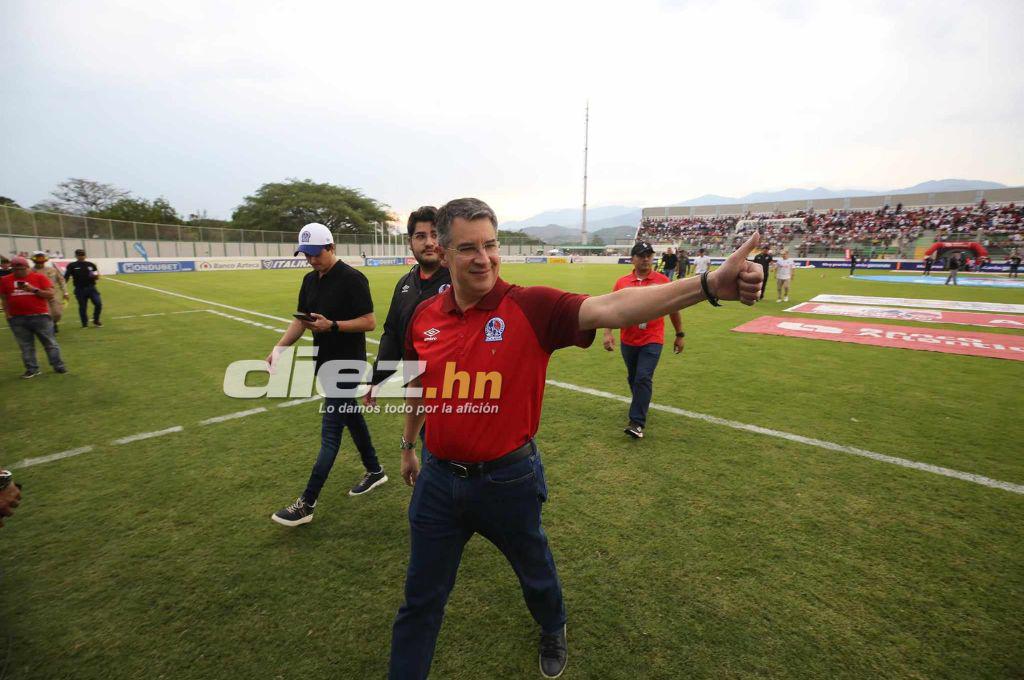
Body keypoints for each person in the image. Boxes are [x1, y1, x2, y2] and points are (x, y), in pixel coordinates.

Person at [389, 197, 763, 679]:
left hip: (507, 480)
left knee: (534, 571)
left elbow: (612, 307)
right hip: (438, 479)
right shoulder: (423, 317)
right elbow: (421, 388)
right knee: (420, 601)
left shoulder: (529, 305)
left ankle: (553, 625)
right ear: (441, 251)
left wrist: (708, 284)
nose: (483, 258)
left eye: (491, 245)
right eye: (467, 248)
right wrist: (408, 445)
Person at [267, 223, 384, 527]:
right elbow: (302, 320)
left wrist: (332, 325)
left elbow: (370, 322)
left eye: (315, 254)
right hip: (325, 363)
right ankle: (375, 471)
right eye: (305, 254)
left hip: (347, 365)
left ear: (331, 248)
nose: (310, 260)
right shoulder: (309, 280)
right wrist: (279, 348)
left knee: (330, 434)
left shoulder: (353, 279)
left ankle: (306, 503)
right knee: (352, 418)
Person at [365, 206, 452, 405]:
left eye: (435, 235)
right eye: (420, 236)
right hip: (416, 390)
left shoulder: (461, 281)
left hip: (457, 391)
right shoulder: (405, 283)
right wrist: (377, 378)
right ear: (410, 243)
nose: (429, 242)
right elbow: (393, 334)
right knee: (424, 436)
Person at [602, 241, 684, 439]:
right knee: (633, 378)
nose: (646, 258)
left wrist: (680, 334)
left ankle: (636, 422)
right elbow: (612, 309)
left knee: (643, 377)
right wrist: (607, 332)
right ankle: (641, 402)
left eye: (649, 254)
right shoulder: (622, 283)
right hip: (628, 339)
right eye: (641, 255)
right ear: (633, 259)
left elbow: (673, 309)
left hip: (652, 338)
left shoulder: (663, 281)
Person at [1, 256, 68, 378]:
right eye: (15, 269)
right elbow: (4, 297)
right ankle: (32, 369)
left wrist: (33, 290)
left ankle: (58, 366)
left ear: (27, 267)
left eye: (20, 269)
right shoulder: (5, 280)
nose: (17, 271)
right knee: (26, 346)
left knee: (50, 343)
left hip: (40, 316)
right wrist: (8, 314)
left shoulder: (39, 277)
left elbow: (50, 294)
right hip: (17, 319)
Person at [31, 251, 69, 333]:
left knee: (57, 313)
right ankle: (49, 327)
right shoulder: (30, 272)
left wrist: (65, 292)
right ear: (33, 259)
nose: (40, 260)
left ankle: (54, 322)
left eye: (42, 258)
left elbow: (61, 281)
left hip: (54, 295)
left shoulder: (52, 270)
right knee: (46, 314)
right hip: (39, 296)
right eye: (38, 258)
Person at [63, 249, 103, 327]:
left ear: (85, 255)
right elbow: (66, 277)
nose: (81, 256)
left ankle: (96, 320)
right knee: (83, 307)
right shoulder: (72, 265)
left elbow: (96, 276)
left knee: (98, 304)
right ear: (76, 256)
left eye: (82, 255)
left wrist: (96, 276)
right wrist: (63, 287)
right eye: (79, 255)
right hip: (79, 289)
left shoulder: (91, 264)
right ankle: (84, 323)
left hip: (92, 288)